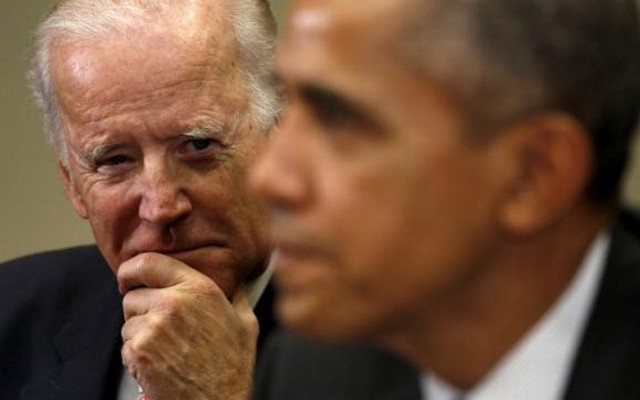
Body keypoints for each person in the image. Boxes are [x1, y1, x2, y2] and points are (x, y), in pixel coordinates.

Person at [249, 0, 640, 398]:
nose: (268, 178)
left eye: (338, 120)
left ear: (532, 175)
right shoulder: (311, 373)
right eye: (288, 106)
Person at [0, 0, 280, 398]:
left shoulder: (389, 341)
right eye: (114, 160)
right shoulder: (10, 316)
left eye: (197, 145)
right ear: (72, 183)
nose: (161, 206)